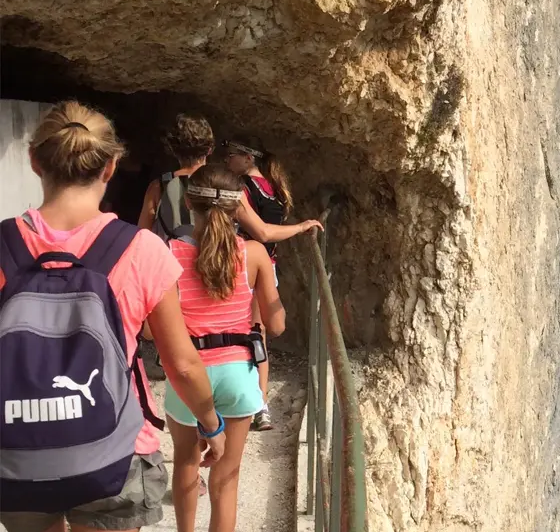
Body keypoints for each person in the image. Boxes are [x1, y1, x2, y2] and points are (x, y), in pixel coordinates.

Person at [0, 101, 226, 532]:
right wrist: (210, 423)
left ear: (34, 161)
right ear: (110, 167)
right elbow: (181, 363)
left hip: (16, 452)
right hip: (114, 455)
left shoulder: (2, 246)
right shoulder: (141, 249)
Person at [164, 163, 284, 532]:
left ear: (188, 202)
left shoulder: (168, 253)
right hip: (238, 372)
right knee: (226, 477)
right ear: (239, 206)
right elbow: (276, 325)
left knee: (186, 461)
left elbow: (154, 334)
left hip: (188, 371)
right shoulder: (255, 254)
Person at [223, 138, 320, 431]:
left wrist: (302, 227)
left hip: (246, 267)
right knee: (261, 333)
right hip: (268, 266)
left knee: (249, 333)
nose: (226, 160)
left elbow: (262, 232)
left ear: (247, 158)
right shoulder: (275, 188)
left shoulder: (241, 189)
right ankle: (258, 403)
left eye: (231, 155)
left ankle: (252, 402)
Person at [138, 113, 216, 241]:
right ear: (210, 150)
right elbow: (261, 232)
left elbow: (143, 234)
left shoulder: (159, 186)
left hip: (171, 258)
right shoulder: (223, 184)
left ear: (172, 150)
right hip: (213, 258)